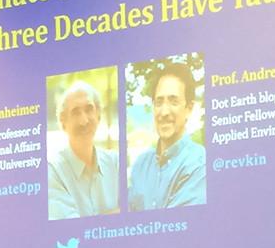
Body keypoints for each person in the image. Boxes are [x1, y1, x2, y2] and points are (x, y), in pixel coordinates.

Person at [128, 62, 206, 211]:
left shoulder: (199, 165)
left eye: (173, 101)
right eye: (159, 102)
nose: (164, 112)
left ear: (189, 109)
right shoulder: (140, 165)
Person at [48, 80, 119, 220]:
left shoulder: (115, 163)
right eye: (75, 112)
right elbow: (73, 233)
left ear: (98, 115)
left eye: (89, 109)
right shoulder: (53, 172)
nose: (84, 121)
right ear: (63, 122)